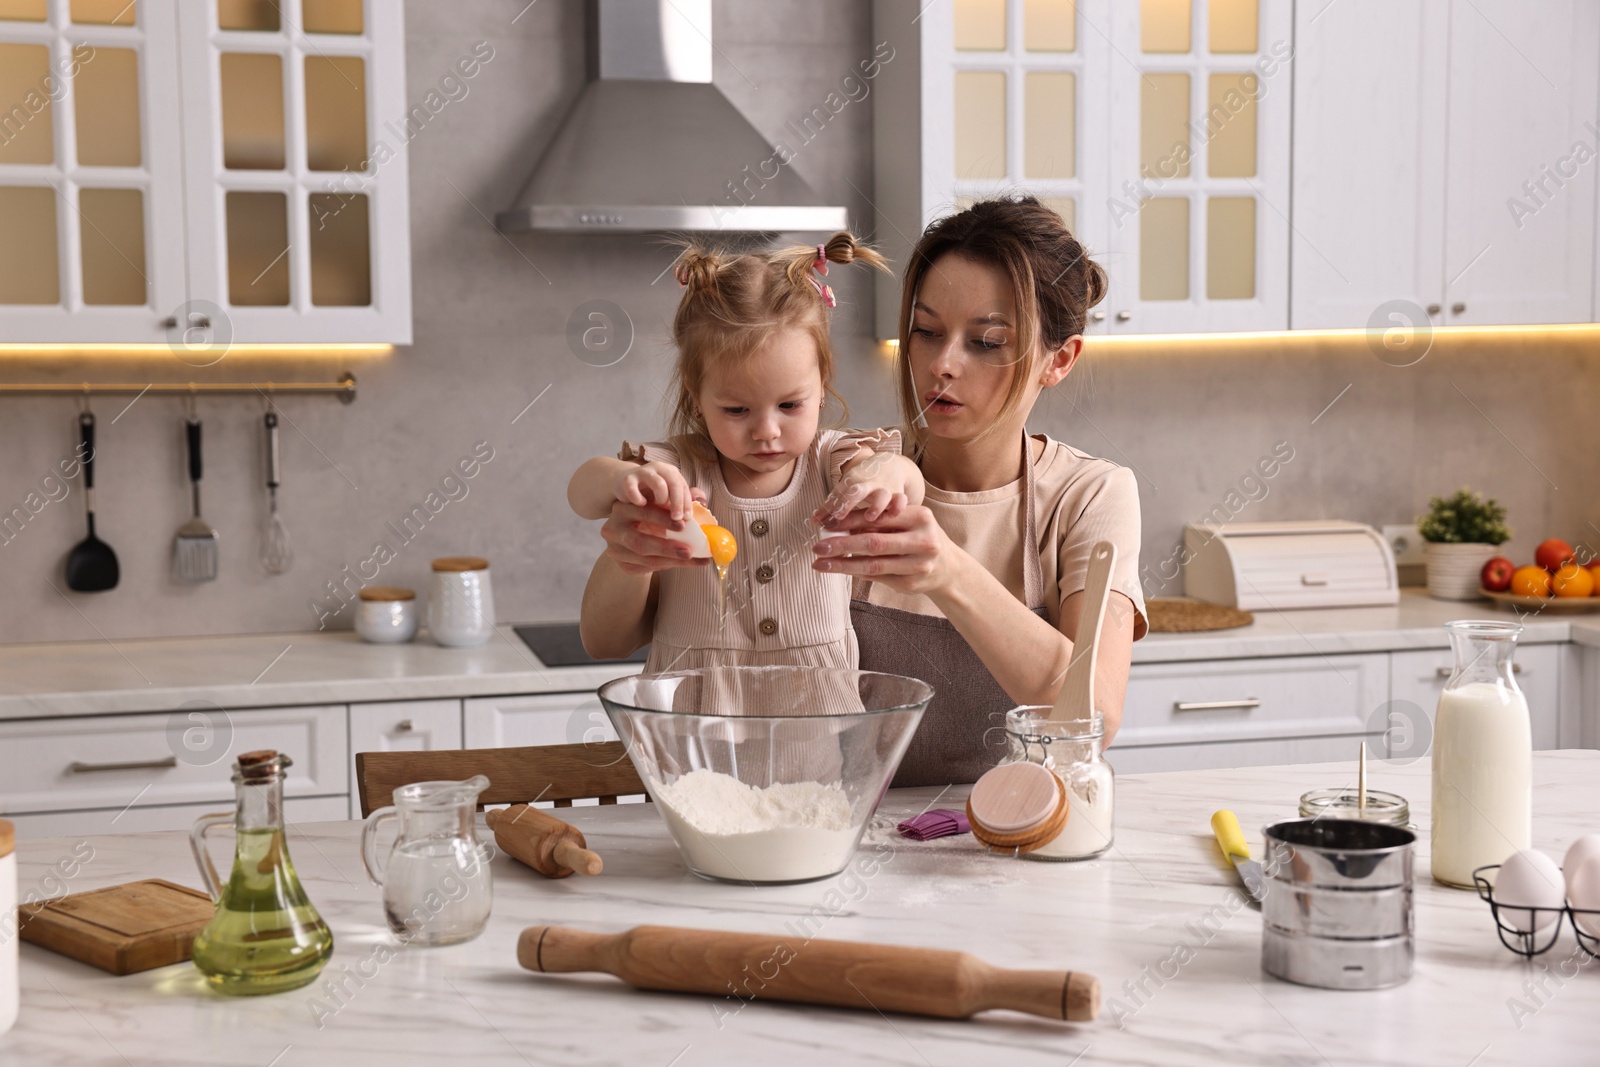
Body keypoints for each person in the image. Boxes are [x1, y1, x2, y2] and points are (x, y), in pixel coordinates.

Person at [808, 197, 1147, 786]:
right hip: (850, 837)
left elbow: (1092, 716)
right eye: (927, 332)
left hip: (1016, 841)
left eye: (986, 342)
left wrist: (947, 571)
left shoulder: (1090, 496)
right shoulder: (855, 471)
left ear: (1059, 360)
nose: (942, 364)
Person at [569, 233, 924, 676]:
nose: (766, 432)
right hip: (695, 732)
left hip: (815, 731)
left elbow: (906, 479)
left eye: (790, 405)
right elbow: (583, 492)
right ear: (696, 394)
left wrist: (884, 473)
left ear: (823, 381)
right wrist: (620, 482)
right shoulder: (676, 473)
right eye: (737, 410)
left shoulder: (836, 463)